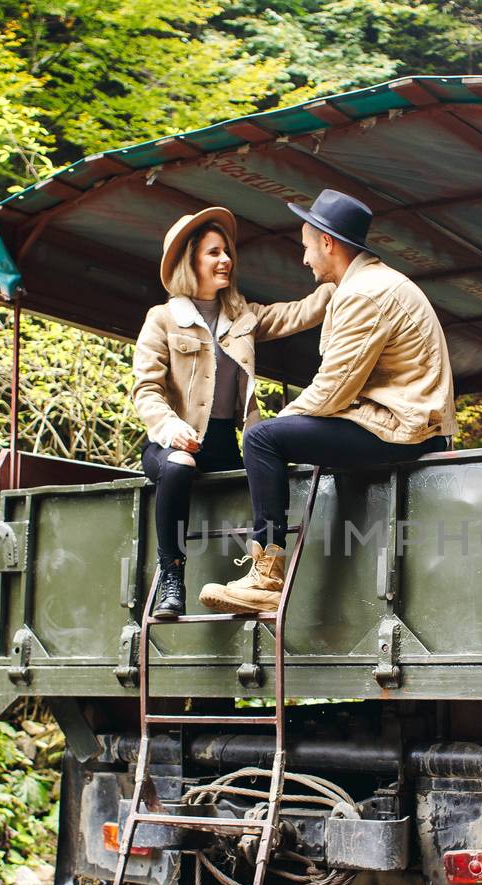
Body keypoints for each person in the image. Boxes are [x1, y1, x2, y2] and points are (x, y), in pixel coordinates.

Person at [199, 189, 457, 615]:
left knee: (263, 439)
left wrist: (274, 430)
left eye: (305, 247)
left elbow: (333, 388)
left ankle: (267, 577)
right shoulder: (364, 285)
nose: (304, 260)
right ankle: (268, 566)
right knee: (274, 435)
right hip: (400, 423)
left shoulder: (365, 294)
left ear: (327, 242)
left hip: (404, 431)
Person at [132, 208, 333, 618]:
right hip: (172, 442)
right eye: (213, 253)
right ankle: (172, 576)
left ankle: (258, 576)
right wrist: (171, 429)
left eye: (226, 252)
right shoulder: (163, 319)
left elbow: (299, 313)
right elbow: (145, 390)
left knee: (263, 472)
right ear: (190, 262)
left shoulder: (243, 317)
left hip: (225, 443)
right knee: (177, 464)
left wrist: (340, 276)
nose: (225, 260)